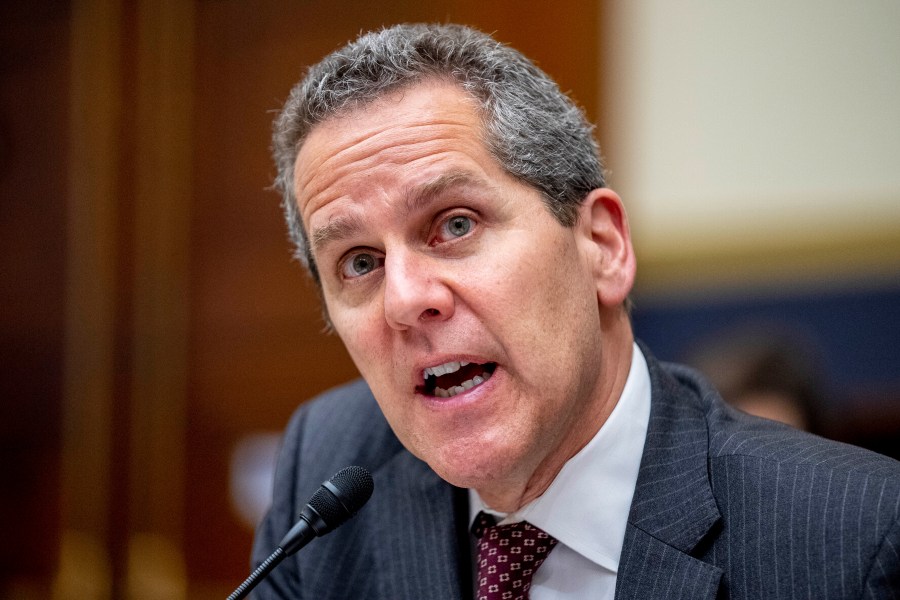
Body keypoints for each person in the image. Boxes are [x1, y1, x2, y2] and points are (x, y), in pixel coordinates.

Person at [251, 23, 900, 599]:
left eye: (454, 224)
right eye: (360, 263)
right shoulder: (329, 472)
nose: (405, 299)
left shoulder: (853, 536)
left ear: (602, 247)